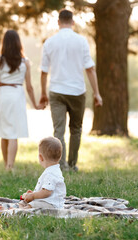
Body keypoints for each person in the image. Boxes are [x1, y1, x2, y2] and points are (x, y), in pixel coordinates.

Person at [39, 9, 103, 172]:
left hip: (56, 91)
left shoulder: (50, 42)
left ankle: (61, 166)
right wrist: (96, 93)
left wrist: (43, 94)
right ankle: (73, 163)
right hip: (77, 91)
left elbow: (44, 71)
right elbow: (90, 69)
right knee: (76, 129)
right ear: (73, 22)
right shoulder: (81, 41)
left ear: (58, 22)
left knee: (58, 130)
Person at [0, 30, 39, 171]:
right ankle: (10, 166)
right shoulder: (25, 62)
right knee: (13, 133)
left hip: (3, 95)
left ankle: (6, 165)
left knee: (4, 132)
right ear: (18, 43)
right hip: (17, 95)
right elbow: (29, 87)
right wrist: (35, 104)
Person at [20, 136, 66, 209]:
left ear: (41, 157)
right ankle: (19, 209)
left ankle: (17, 212)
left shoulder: (50, 173)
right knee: (24, 202)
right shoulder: (53, 170)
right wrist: (34, 193)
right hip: (45, 202)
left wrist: (33, 196)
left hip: (52, 205)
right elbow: (45, 189)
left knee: (31, 206)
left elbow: (46, 192)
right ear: (60, 157)